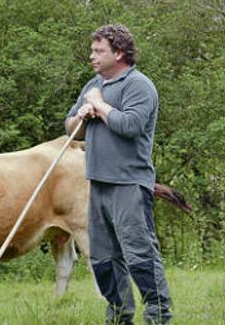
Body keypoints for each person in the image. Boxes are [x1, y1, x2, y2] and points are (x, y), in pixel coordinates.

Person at [66, 24, 172, 324]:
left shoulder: (139, 85)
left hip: (129, 184)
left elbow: (130, 126)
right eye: (92, 50)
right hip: (97, 183)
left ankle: (158, 315)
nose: (92, 56)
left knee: (140, 256)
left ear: (120, 53)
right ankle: (119, 316)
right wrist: (82, 117)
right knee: (103, 261)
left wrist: (99, 105)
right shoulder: (93, 84)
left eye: (99, 51)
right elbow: (71, 130)